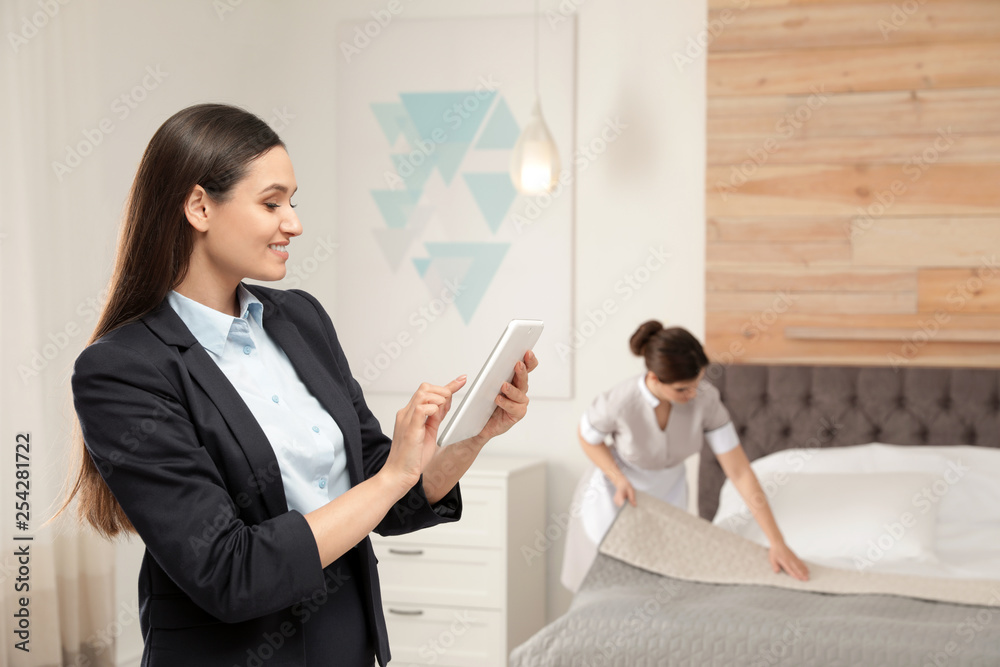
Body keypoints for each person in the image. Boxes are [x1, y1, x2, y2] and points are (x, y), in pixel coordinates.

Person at [58, 103, 538, 666]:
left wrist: (470, 435)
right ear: (198, 206)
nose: (295, 223)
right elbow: (228, 571)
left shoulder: (300, 319)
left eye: (293, 202)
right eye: (271, 203)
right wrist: (392, 478)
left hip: (346, 643)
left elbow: (385, 493)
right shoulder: (122, 369)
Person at [560, 320, 807, 592]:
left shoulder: (706, 400)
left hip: (668, 496)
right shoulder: (619, 401)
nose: (692, 394)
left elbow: (739, 472)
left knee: (655, 587)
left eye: (696, 384)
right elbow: (588, 438)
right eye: (682, 389)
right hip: (614, 497)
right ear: (653, 377)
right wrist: (617, 478)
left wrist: (777, 542)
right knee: (607, 592)